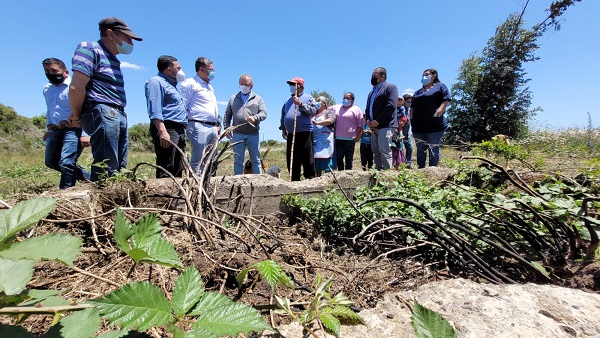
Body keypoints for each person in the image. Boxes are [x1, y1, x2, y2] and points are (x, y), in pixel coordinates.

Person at [68, 17, 143, 182]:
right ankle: (102, 203)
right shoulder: (89, 48)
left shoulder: (113, 59)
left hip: (117, 113)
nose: (131, 42)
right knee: (106, 166)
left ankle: (119, 203)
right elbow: (76, 87)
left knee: (119, 167)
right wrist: (76, 115)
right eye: (127, 37)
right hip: (102, 110)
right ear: (110, 34)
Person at [42, 58, 90, 189]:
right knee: (51, 161)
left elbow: (85, 109)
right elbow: (50, 109)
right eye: (47, 71)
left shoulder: (74, 87)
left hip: (74, 128)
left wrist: (86, 133)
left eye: (54, 70)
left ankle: (66, 190)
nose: (50, 73)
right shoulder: (47, 89)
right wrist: (49, 128)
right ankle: (87, 177)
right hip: (56, 129)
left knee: (67, 161)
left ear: (66, 72)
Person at [144, 55, 188, 178]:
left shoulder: (172, 85)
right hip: (168, 128)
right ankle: (165, 197)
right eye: (178, 68)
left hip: (179, 129)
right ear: (169, 69)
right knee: (167, 166)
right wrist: (162, 131)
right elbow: (155, 108)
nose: (180, 71)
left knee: (178, 167)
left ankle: (178, 196)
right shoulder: (156, 82)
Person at [179, 57, 221, 173]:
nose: (213, 72)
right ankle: (195, 187)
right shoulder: (190, 84)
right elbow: (182, 106)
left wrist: (217, 123)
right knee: (198, 160)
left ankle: (208, 186)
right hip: (199, 125)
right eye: (211, 69)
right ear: (201, 69)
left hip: (212, 127)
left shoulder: (209, 87)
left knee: (211, 160)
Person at [224, 74, 267, 175]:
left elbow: (264, 113)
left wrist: (255, 118)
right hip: (237, 134)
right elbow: (227, 114)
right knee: (238, 160)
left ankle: (258, 182)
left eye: (246, 84)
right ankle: (238, 183)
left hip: (253, 134)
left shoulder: (258, 99)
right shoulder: (233, 98)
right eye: (241, 84)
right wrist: (226, 128)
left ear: (251, 86)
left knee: (256, 160)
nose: (243, 86)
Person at [410, 68, 451, 168]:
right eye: (423, 75)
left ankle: (432, 170)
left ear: (434, 76)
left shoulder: (440, 87)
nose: (424, 77)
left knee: (433, 148)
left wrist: (439, 112)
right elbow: (412, 107)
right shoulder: (417, 92)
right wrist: (411, 118)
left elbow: (446, 100)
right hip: (418, 126)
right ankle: (421, 170)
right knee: (420, 149)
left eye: (427, 74)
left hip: (434, 125)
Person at [279, 77, 317, 181]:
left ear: (299, 86)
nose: (290, 87)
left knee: (307, 159)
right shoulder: (287, 100)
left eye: (293, 84)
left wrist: (300, 104)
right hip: (292, 133)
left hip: (305, 133)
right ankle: (294, 180)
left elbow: (313, 111)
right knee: (292, 158)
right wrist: (283, 128)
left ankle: (310, 179)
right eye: (290, 85)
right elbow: (284, 115)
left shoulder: (308, 98)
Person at [365, 67, 399, 170]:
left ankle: (387, 176)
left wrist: (378, 121)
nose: (372, 77)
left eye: (375, 75)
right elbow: (368, 108)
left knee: (384, 150)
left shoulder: (390, 87)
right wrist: (368, 120)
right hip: (374, 126)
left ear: (382, 77)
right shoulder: (372, 92)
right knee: (375, 150)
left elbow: (391, 106)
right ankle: (379, 173)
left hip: (386, 124)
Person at [334, 92, 363, 170]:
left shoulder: (356, 109)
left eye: (348, 98)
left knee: (349, 159)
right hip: (338, 138)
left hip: (350, 139)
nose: (345, 100)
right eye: (344, 98)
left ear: (352, 100)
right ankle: (340, 174)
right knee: (339, 158)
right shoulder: (337, 108)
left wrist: (358, 137)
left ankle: (348, 175)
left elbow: (360, 125)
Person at [311, 96, 336, 177]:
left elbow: (331, 120)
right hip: (316, 141)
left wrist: (318, 123)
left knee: (327, 164)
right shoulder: (314, 114)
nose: (317, 103)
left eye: (319, 101)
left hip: (326, 141)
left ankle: (328, 181)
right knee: (317, 164)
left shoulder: (329, 112)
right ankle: (317, 180)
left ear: (324, 103)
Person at [402, 92, 414, 167]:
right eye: (408, 102)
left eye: (411, 102)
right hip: (400, 134)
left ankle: (408, 164)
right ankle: (401, 164)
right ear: (404, 101)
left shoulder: (409, 111)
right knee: (401, 150)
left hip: (407, 134)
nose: (409, 104)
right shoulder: (400, 109)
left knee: (410, 148)